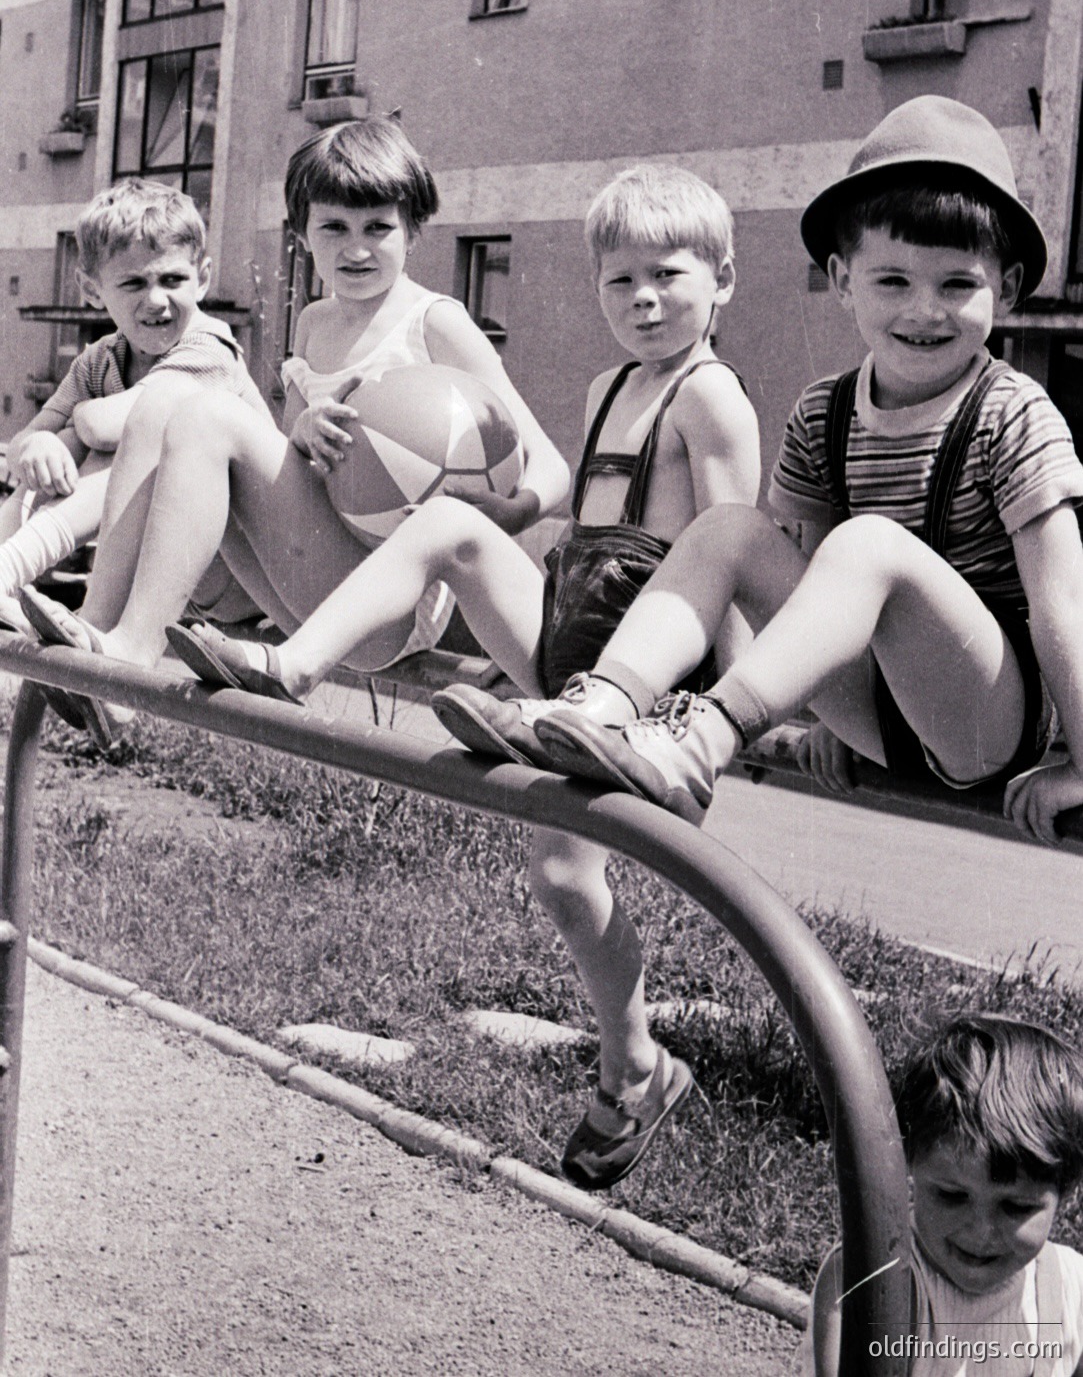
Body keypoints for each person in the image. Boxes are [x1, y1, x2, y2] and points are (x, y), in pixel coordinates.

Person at [164, 163, 761, 1192]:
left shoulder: (713, 401)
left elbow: (730, 557)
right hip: (583, 641)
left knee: (567, 874)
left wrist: (728, 715)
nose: (645, 302)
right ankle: (291, 661)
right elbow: (581, 533)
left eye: (668, 277)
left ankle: (636, 1069)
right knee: (451, 523)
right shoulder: (606, 386)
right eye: (619, 284)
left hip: (658, 673)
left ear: (725, 281)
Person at [468, 97, 1083, 848]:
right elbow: (812, 600)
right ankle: (602, 704)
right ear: (840, 278)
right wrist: (826, 714)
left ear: (1008, 288)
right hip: (882, 705)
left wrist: (1079, 759)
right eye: (891, 281)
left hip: (986, 718)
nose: (924, 310)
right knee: (728, 526)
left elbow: (1062, 605)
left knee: (867, 546)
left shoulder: (1014, 414)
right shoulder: (823, 412)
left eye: (957, 284)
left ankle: (699, 741)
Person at [18, 116, 569, 737]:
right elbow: (291, 472)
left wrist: (505, 513)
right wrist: (301, 435)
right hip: (308, 582)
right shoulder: (312, 321)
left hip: (385, 606)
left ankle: (131, 659)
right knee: (162, 406)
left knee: (204, 410)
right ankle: (105, 626)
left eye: (377, 228)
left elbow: (553, 469)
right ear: (302, 232)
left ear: (412, 230)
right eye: (333, 227)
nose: (355, 248)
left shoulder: (434, 322)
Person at [0, 177, 266, 650]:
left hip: (241, 573)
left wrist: (70, 427)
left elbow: (105, 424)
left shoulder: (210, 347)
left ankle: (8, 572)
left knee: (108, 445)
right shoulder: (101, 357)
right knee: (46, 459)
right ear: (91, 289)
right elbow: (23, 443)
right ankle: (5, 577)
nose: (157, 300)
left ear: (202, 277)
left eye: (172, 280)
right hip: (163, 576)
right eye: (133, 283)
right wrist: (37, 445)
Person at [803, 1013, 1083, 1376]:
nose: (981, 1232)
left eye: (1016, 1207)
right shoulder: (871, 1278)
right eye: (952, 1195)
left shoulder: (1067, 1291)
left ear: (1066, 1191)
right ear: (908, 1162)